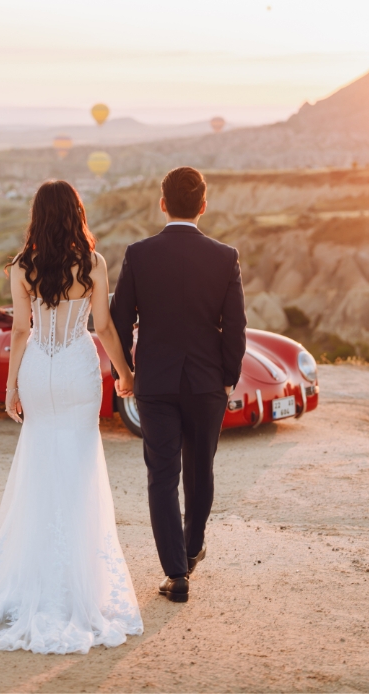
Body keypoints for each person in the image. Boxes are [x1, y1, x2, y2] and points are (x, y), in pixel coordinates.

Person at [0, 180, 144, 655]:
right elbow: (104, 326)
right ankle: (78, 585)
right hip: (78, 368)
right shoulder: (93, 264)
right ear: (76, 214)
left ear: (37, 217)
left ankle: (33, 580)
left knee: (40, 466)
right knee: (80, 467)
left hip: (40, 370)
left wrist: (10, 390)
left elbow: (21, 331)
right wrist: (126, 375)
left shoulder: (22, 267)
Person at [111, 167, 246, 603]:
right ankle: (189, 553)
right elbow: (237, 327)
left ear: (162, 203)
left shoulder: (138, 253)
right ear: (203, 206)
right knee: (200, 469)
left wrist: (127, 372)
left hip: (156, 381)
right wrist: (227, 379)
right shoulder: (225, 256)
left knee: (162, 476)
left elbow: (118, 319)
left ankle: (176, 573)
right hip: (207, 383)